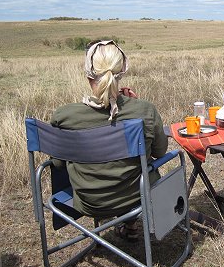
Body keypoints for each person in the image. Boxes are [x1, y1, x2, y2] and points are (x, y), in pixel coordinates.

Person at [50, 40, 168, 240]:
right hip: (135, 197)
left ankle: (125, 226)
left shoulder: (64, 116)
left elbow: (58, 163)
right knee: (135, 170)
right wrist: (134, 104)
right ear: (121, 72)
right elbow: (160, 151)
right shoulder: (144, 110)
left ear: (88, 74)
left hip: (89, 202)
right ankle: (130, 223)